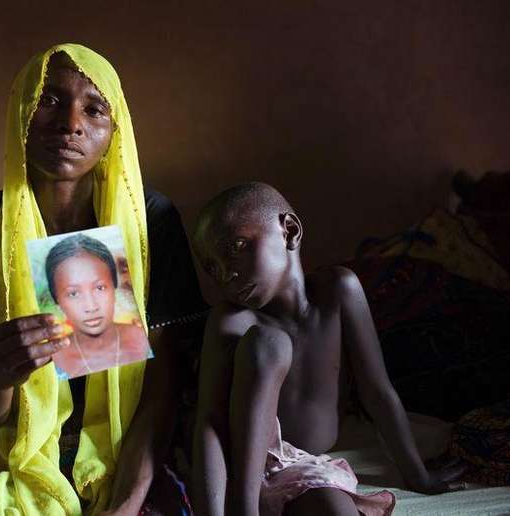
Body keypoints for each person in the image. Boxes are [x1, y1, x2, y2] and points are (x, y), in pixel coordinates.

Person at [0, 44, 207, 515]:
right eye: (49, 100)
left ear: (115, 131)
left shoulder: (147, 223)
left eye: (94, 109)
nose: (70, 123)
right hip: (20, 448)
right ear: (21, 110)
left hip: (133, 447)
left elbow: (161, 393)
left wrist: (125, 505)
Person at [191, 182, 466, 516]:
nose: (225, 273)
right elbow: (209, 422)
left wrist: (418, 475)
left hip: (296, 466)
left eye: (235, 247)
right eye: (211, 266)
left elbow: (377, 392)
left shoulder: (338, 291)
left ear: (289, 230)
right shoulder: (232, 320)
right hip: (237, 474)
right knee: (269, 344)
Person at [45, 233, 151, 379]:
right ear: (57, 302)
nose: (91, 306)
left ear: (114, 288)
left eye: (100, 288)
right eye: (73, 294)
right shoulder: (51, 356)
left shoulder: (140, 338)